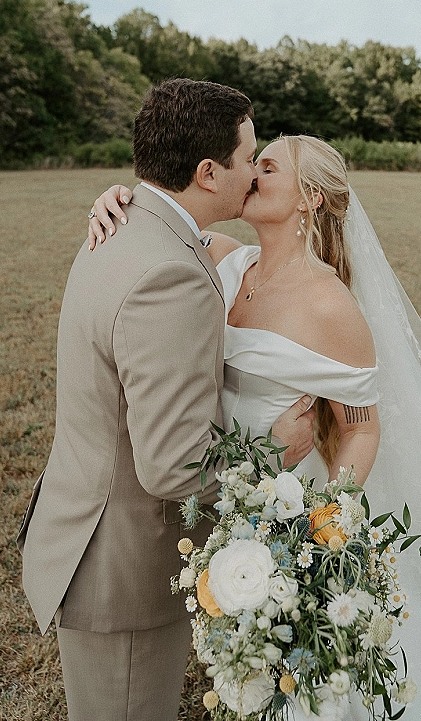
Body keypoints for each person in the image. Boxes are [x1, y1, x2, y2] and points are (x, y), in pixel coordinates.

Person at [90, 133, 421, 720]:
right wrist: (116, 201)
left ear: (308, 198)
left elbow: (361, 429)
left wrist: (326, 522)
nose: (250, 175)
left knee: (312, 669)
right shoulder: (227, 261)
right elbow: (163, 219)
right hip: (223, 492)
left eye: (266, 167)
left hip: (291, 504)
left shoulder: (330, 307)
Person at [17, 79, 316, 721]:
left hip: (89, 534)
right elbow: (173, 465)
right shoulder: (168, 272)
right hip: (123, 567)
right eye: (246, 160)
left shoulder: (125, 224)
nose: (254, 177)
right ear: (208, 173)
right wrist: (274, 456)